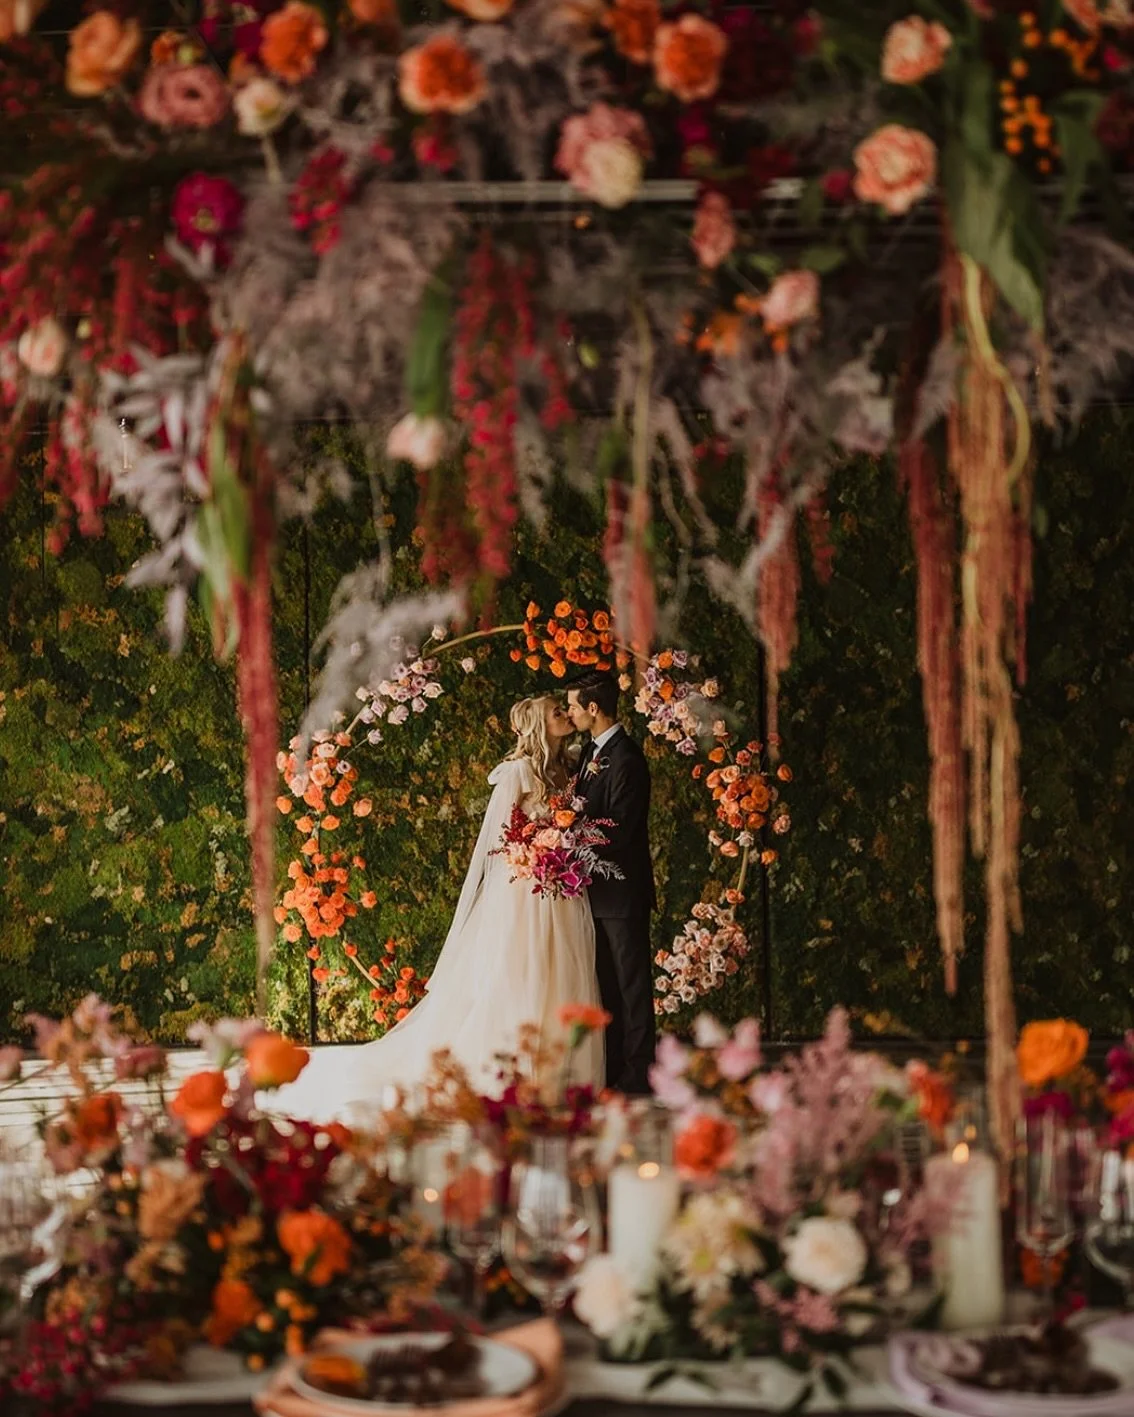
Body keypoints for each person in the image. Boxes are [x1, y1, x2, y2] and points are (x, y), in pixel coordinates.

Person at [271, 696, 603, 1123]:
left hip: (563, 889)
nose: (564, 714)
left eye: (564, 708)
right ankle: (511, 1077)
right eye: (556, 710)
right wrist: (535, 851)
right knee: (524, 972)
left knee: (563, 971)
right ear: (540, 722)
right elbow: (497, 842)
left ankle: (559, 1074)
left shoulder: (572, 766)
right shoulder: (518, 773)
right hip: (525, 892)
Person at [566, 669, 656, 1094]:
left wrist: (568, 835)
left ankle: (641, 1072)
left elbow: (619, 829)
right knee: (609, 988)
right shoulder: (590, 752)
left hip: (623, 894)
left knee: (633, 985)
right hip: (597, 893)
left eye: (572, 706)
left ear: (593, 708)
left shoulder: (626, 758)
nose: (569, 713)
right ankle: (616, 1067)